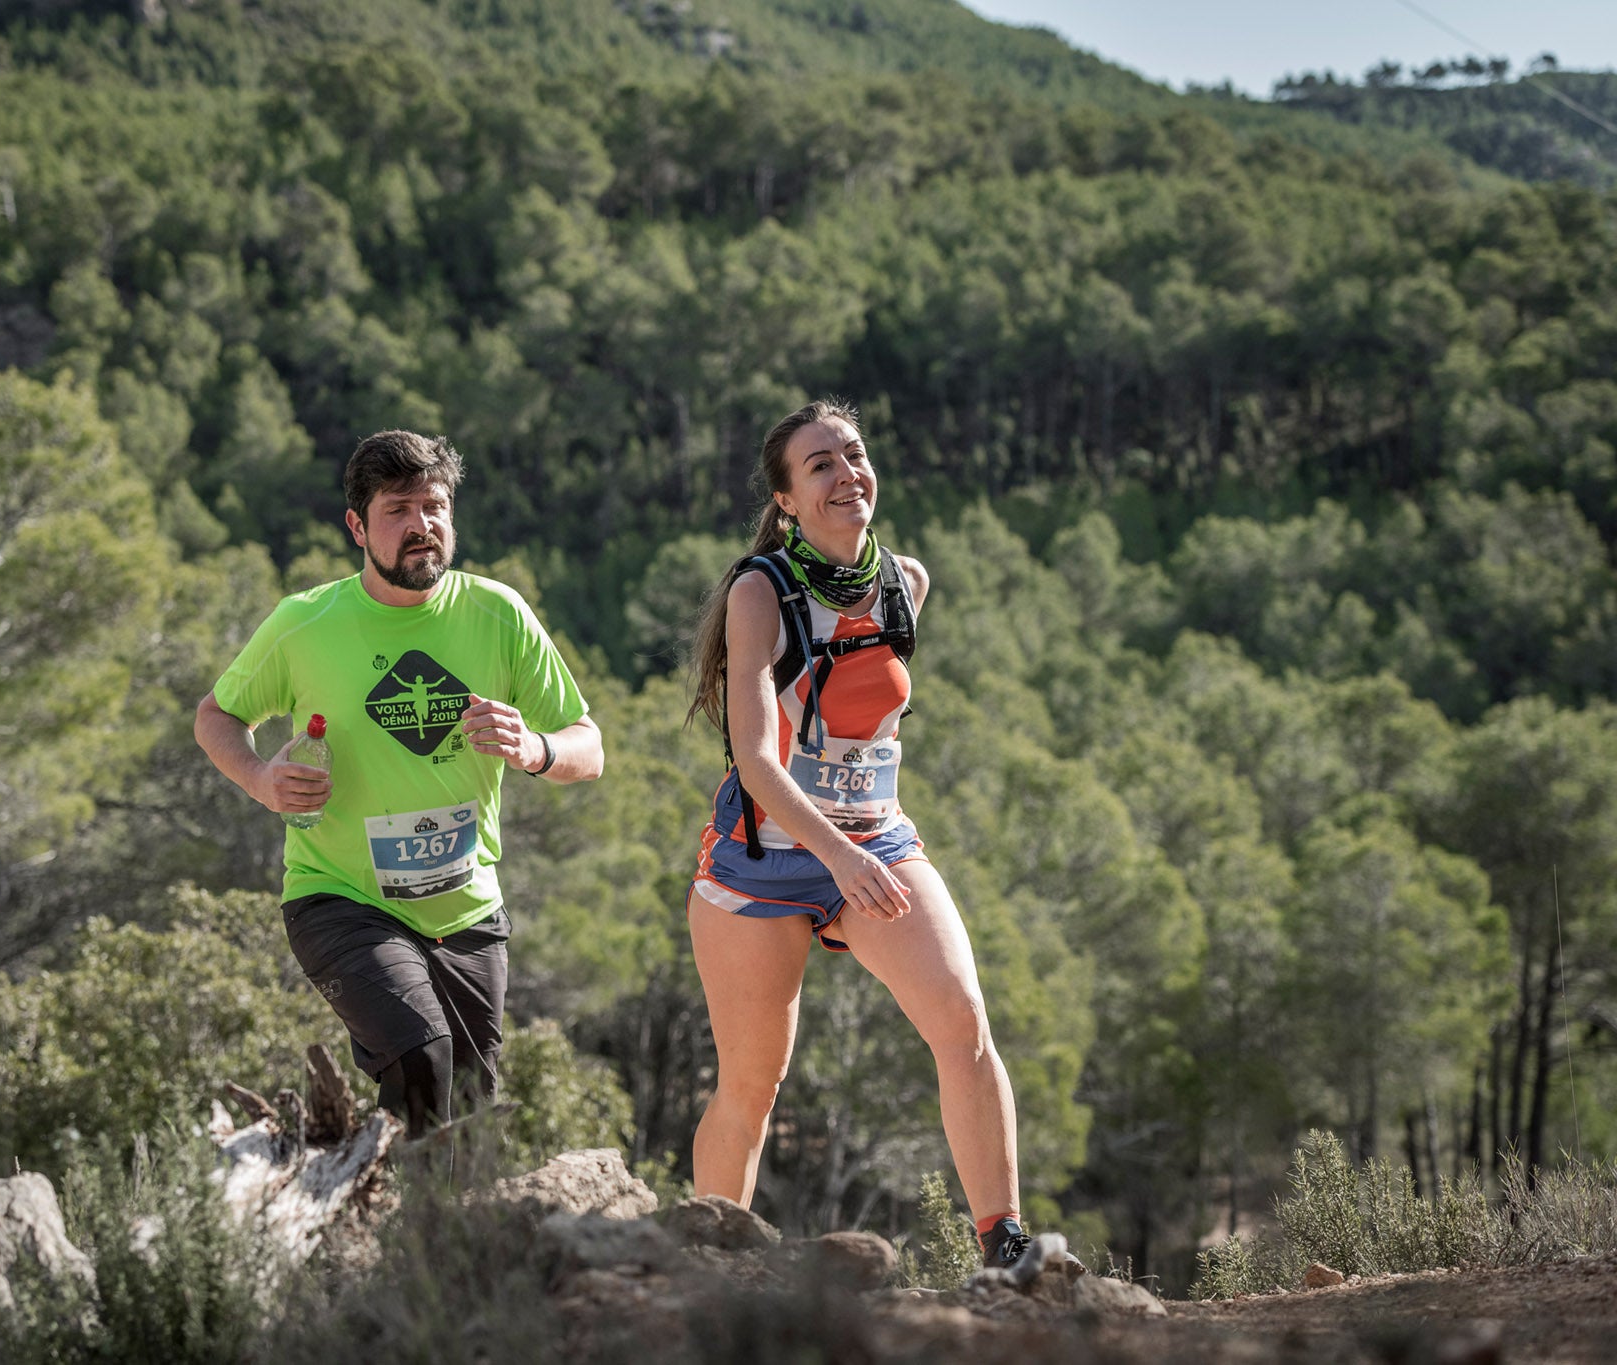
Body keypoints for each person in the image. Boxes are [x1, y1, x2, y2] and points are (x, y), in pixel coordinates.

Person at [684, 399, 1078, 1274]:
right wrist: (839, 854)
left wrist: (864, 845)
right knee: (753, 1084)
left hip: (878, 844)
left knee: (964, 1020)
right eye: (818, 464)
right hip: (764, 857)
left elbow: (868, 723)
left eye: (852, 455)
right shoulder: (760, 590)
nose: (844, 473)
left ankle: (1005, 1247)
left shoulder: (907, 581)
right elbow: (754, 758)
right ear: (786, 499)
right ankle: (708, 1270)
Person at [195, 429, 603, 1136]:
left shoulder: (498, 614)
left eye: (435, 506)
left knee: (471, 1117)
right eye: (399, 510)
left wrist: (534, 747)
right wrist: (262, 778)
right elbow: (216, 716)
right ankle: (390, 1231)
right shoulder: (305, 622)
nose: (422, 525)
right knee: (422, 1057)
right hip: (339, 896)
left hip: (465, 907)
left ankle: (428, 1240)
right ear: (357, 525)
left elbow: (587, 745)